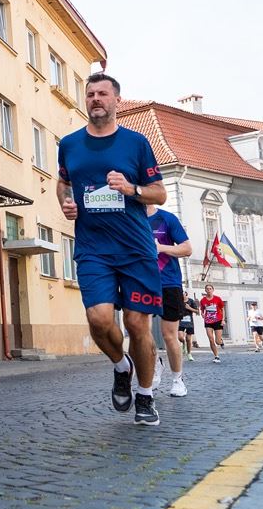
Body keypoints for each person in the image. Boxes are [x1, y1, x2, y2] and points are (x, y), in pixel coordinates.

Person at [58, 73, 167, 426]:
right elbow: (63, 183)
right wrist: (66, 202)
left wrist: (131, 188)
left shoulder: (136, 143)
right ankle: (122, 366)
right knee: (99, 319)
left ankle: (146, 396)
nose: (95, 99)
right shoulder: (70, 144)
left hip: (135, 249)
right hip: (93, 248)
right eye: (90, 94)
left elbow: (159, 194)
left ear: (116, 100)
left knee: (137, 325)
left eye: (102, 93)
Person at [148, 205, 192, 397]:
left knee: (169, 335)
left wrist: (160, 248)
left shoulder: (166, 218)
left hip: (168, 282)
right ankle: (155, 363)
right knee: (140, 332)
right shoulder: (130, 217)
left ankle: (177, 379)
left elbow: (187, 248)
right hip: (141, 281)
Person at [199, 283, 226, 363]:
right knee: (211, 339)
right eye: (207, 289)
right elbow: (202, 309)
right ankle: (216, 356)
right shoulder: (203, 300)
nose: (209, 290)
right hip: (208, 321)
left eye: (210, 289)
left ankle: (220, 341)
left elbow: (222, 309)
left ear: (213, 290)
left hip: (218, 320)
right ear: (205, 290)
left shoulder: (218, 299)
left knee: (217, 341)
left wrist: (223, 319)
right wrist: (202, 313)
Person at [179, 291, 198, 361]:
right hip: (180, 321)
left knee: (188, 339)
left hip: (189, 322)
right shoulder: (178, 301)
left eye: (183, 294)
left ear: (186, 295)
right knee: (180, 337)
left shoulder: (191, 301)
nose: (181, 295)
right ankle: (183, 343)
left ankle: (189, 354)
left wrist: (189, 308)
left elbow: (197, 311)